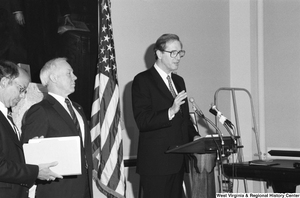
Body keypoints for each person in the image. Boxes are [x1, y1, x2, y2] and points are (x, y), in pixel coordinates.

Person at [131, 33, 200, 198]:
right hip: (156, 165)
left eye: (180, 53)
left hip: (178, 162)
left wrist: (196, 137)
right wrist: (171, 111)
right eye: (173, 53)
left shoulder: (179, 81)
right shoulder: (142, 80)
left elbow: (184, 120)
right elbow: (143, 121)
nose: (178, 58)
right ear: (159, 54)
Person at [21, 57, 93, 198]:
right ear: (54, 78)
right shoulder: (40, 110)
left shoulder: (78, 108)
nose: (75, 77)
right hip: (58, 191)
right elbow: (29, 157)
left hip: (84, 188)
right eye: (69, 73)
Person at [0, 60, 62, 198]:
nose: (22, 96)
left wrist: (29, 149)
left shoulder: (6, 115)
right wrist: (35, 172)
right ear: (4, 82)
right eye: (21, 89)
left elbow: (8, 155)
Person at [22, 0, 73, 83]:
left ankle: (49, 81)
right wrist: (18, 11)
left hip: (49, 14)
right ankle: (36, 82)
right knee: (34, 50)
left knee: (50, 49)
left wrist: (65, 13)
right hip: (31, 13)